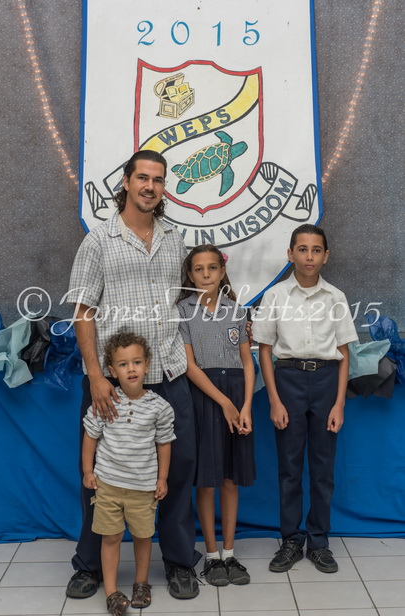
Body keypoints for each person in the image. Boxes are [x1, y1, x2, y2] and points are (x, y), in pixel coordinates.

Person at [66, 150, 201, 601]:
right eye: (142, 177)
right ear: (125, 182)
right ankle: (89, 566)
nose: (150, 186)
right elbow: (83, 311)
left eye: (158, 180)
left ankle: (179, 562)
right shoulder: (98, 241)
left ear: (164, 188)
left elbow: (182, 302)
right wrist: (95, 376)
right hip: (114, 383)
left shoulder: (174, 239)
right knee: (100, 474)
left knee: (177, 471)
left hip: (169, 372)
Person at [253, 224, 358, 573]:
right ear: (290, 254)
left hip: (327, 381)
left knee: (323, 468)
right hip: (288, 380)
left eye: (316, 250)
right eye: (302, 249)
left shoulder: (336, 298)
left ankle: (319, 540)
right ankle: (291, 540)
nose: (309, 256)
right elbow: (264, 350)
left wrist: (339, 403)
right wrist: (274, 400)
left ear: (325, 256)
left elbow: (344, 352)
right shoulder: (275, 296)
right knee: (290, 466)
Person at [177, 245, 256, 586]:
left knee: (229, 478)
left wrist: (246, 405)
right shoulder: (182, 311)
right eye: (199, 269)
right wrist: (224, 402)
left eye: (212, 268)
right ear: (190, 275)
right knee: (208, 479)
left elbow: (247, 362)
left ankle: (229, 553)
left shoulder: (236, 310)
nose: (206, 274)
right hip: (206, 396)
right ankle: (211, 556)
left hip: (237, 396)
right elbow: (189, 366)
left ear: (222, 273)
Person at [83, 332, 175, 612]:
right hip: (108, 485)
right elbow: (90, 436)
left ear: (147, 365)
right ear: (112, 371)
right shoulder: (105, 401)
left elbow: (164, 443)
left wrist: (162, 478)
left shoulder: (159, 406)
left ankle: (141, 583)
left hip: (143, 487)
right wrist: (88, 471)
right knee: (110, 538)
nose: (131, 369)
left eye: (136, 362)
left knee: (143, 537)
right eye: (123, 364)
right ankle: (111, 592)